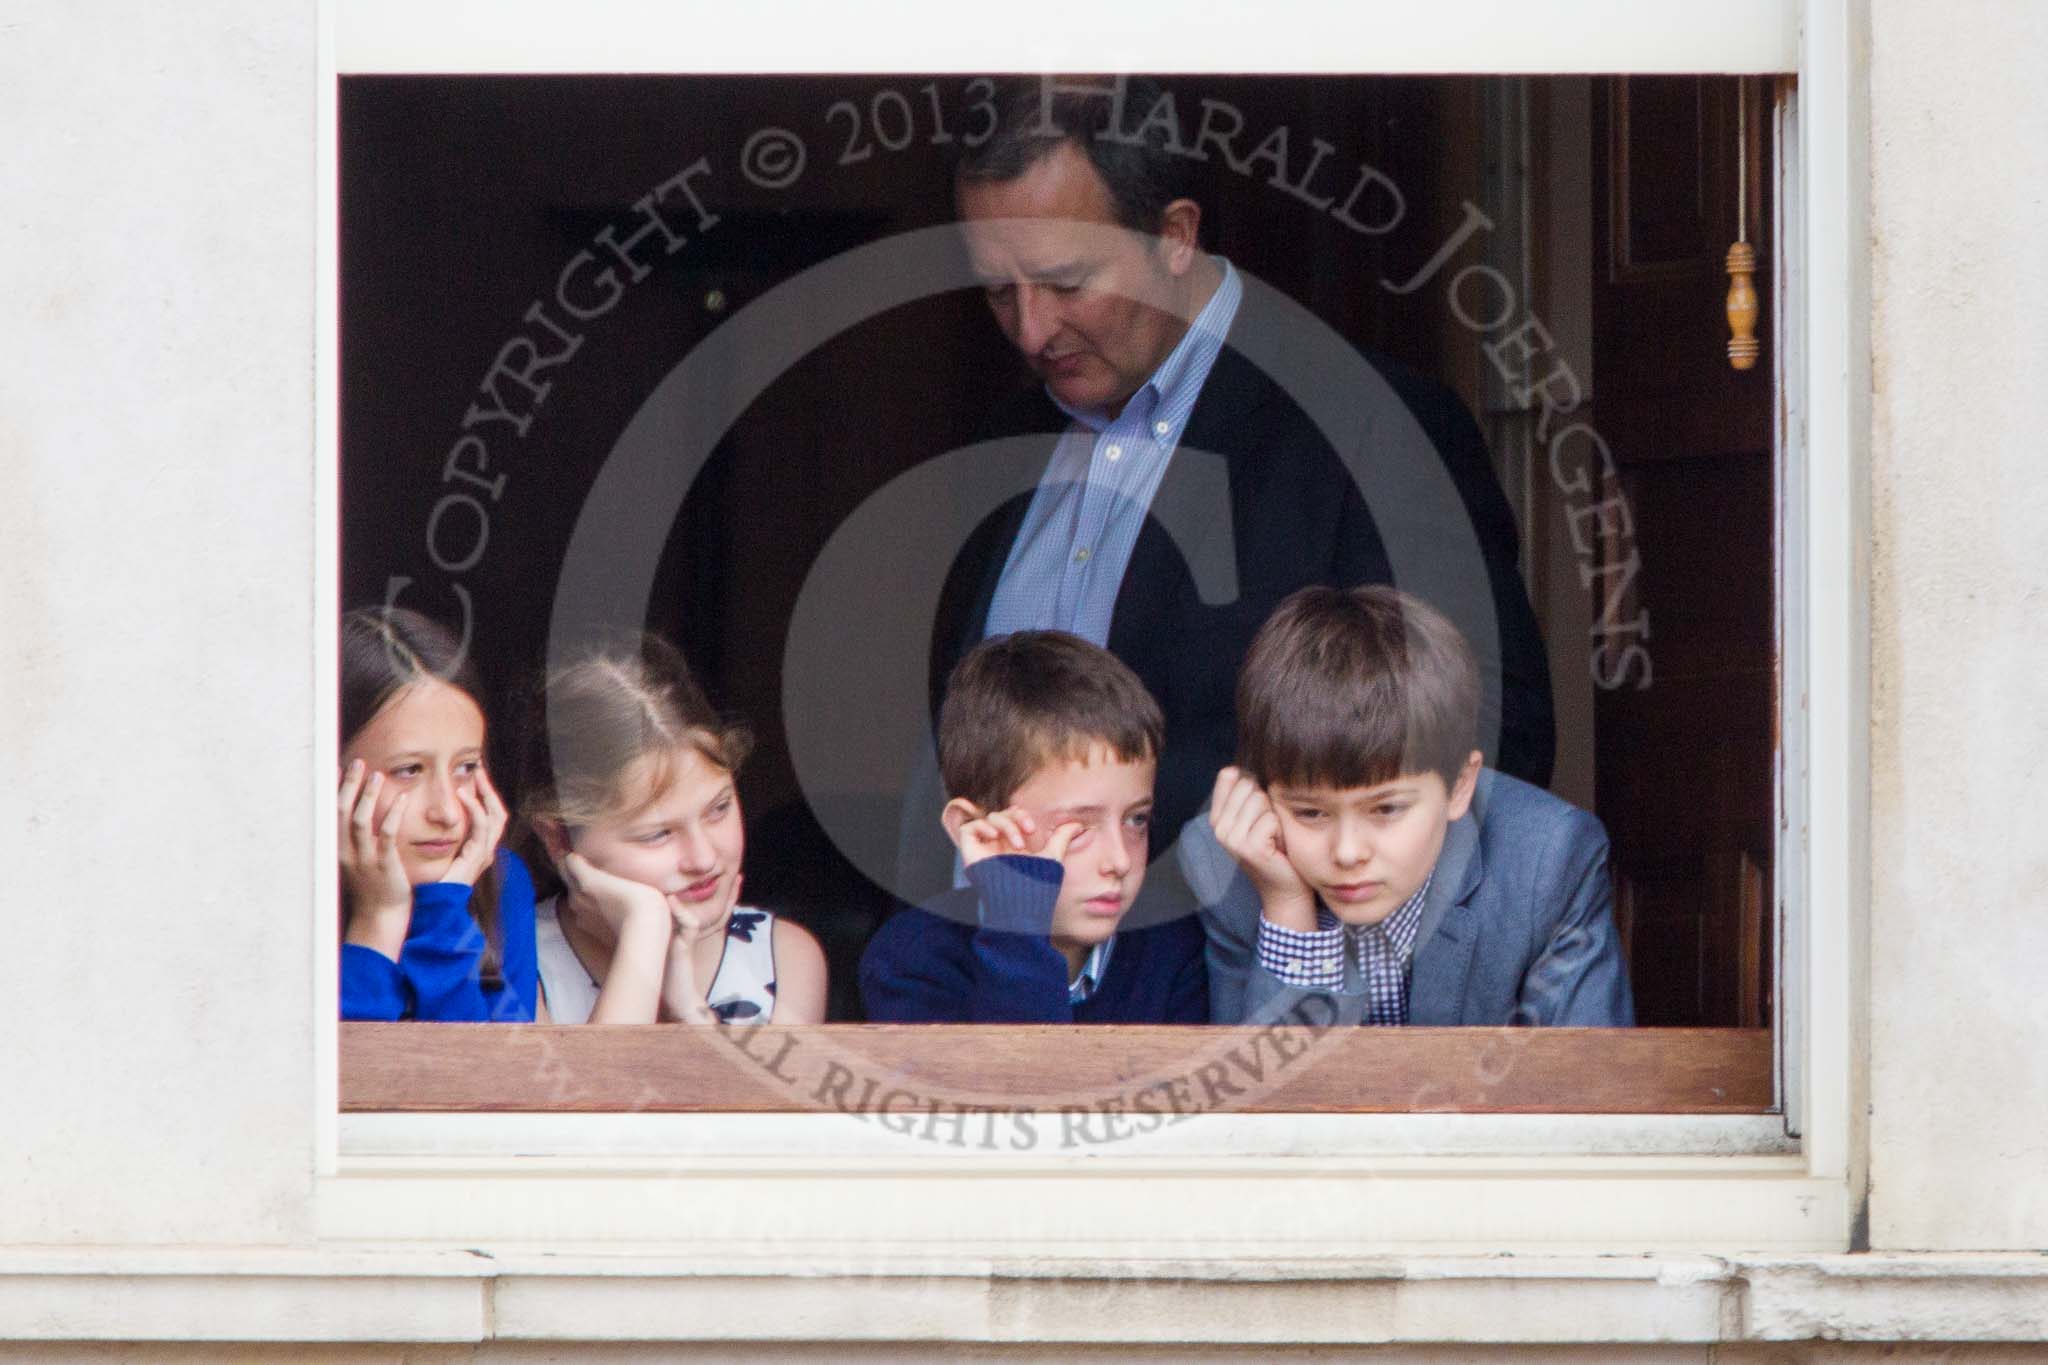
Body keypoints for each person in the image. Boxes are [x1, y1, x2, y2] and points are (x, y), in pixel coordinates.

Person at [935, 77, 1556, 894]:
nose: (1031, 329)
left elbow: (1490, 747)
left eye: (1065, 282)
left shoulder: (1374, 428)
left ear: (1177, 236)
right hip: (984, 997)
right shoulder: (1000, 445)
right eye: (997, 291)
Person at [1182, 586, 1632, 1027]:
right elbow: (1262, 1095)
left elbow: (1588, 1093)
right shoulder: (1229, 861)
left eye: (1386, 810)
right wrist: (1287, 911)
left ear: (1459, 785)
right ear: (1261, 794)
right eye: (1311, 813)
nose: (1347, 852)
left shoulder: (1547, 862)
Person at [862, 630, 1206, 1022]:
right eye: (1076, 827)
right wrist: (1018, 921)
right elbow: (1019, 1078)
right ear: (973, 829)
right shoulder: (913, 959)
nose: (1119, 860)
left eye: (1136, 819)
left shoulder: (1170, 947)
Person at [516, 634, 827, 1025]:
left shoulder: (783, 960)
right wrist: (643, 934)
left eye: (719, 809)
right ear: (558, 838)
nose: (704, 858)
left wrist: (685, 1011)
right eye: (657, 834)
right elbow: (600, 1087)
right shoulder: (515, 960)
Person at [338, 606, 538, 1022]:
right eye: (409, 770)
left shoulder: (502, 882)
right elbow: (349, 1082)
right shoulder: (284, 901)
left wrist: (443, 912)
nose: (446, 811)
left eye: (466, 767)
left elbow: (489, 1076)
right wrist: (377, 920)